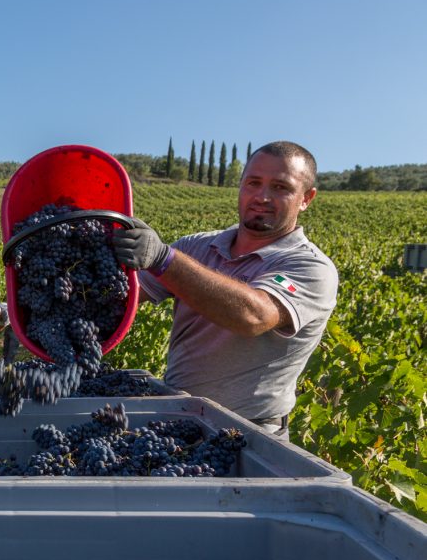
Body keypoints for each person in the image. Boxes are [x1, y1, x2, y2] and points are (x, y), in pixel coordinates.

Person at [110, 141, 338, 437]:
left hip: (249, 435)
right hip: (176, 422)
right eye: (253, 183)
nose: (262, 196)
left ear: (306, 198)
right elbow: (124, 296)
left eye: (280, 187)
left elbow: (254, 316)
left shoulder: (311, 267)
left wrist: (164, 259)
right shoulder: (196, 247)